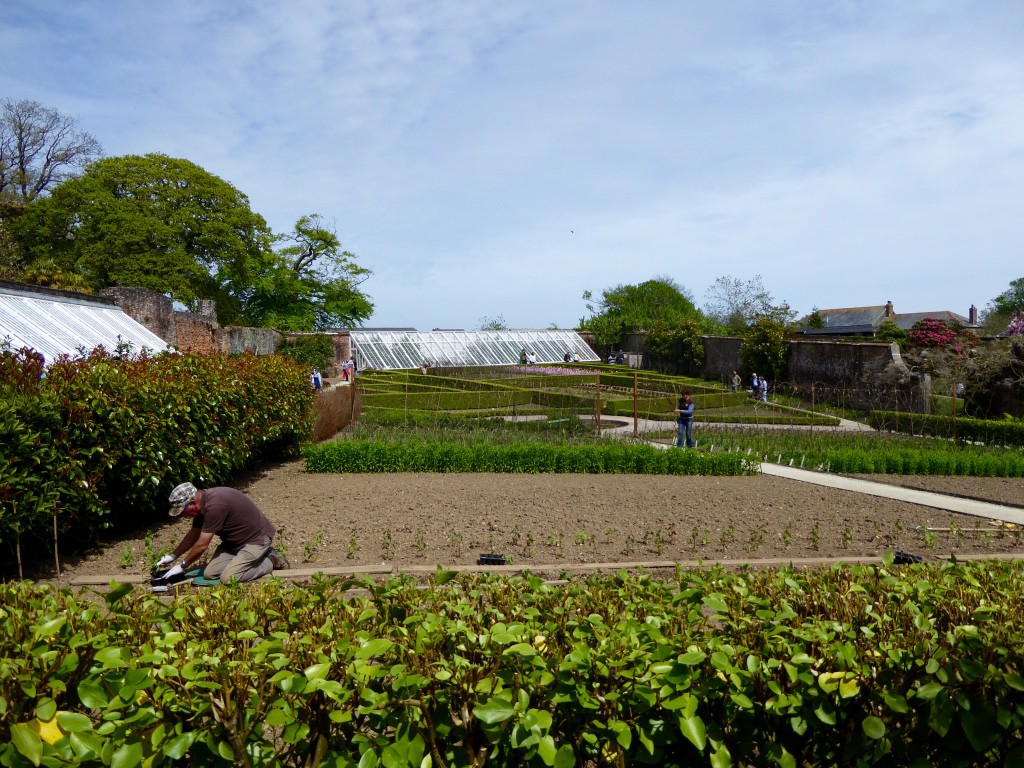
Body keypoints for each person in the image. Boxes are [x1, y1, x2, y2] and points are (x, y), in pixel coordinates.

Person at [154, 482, 289, 583]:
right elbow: (194, 534)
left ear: (193, 503)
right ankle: (245, 560)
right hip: (233, 544)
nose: (183, 516)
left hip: (256, 540)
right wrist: (173, 556)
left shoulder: (215, 506)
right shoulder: (202, 505)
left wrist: (183, 566)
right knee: (210, 574)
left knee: (229, 578)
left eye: (183, 512)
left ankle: (270, 560)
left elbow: (202, 545)